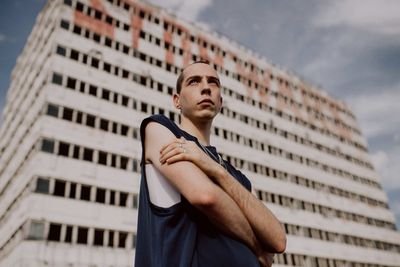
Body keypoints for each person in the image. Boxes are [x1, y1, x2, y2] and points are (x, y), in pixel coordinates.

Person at [135, 60, 286, 267]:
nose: (206, 88)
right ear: (177, 100)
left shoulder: (235, 175)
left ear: (220, 102)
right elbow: (205, 196)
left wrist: (217, 170)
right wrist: (257, 246)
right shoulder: (160, 128)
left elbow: (278, 240)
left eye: (213, 82)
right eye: (194, 82)